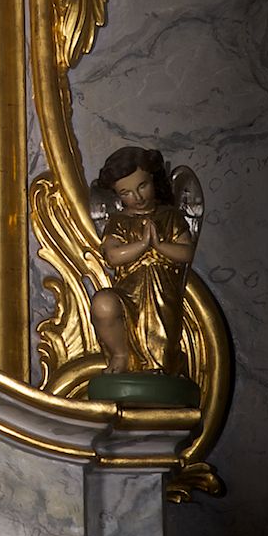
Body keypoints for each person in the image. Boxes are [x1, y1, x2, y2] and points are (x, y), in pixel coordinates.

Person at [90, 146, 195, 375]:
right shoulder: (118, 221)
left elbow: (186, 252)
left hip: (162, 294)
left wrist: (159, 246)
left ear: (153, 179)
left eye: (142, 186)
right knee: (103, 304)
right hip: (128, 295)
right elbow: (112, 256)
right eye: (126, 193)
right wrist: (143, 245)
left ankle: (162, 369)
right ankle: (120, 355)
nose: (137, 198)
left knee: (162, 334)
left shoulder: (169, 216)